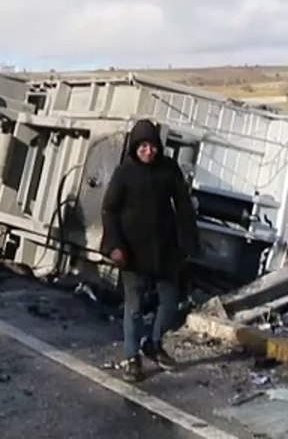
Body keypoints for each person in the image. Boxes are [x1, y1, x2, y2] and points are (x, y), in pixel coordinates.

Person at [100, 118, 198, 381]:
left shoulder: (168, 170)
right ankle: (132, 357)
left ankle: (153, 343)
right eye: (142, 146)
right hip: (132, 253)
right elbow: (109, 209)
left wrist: (188, 242)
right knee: (133, 308)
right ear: (135, 148)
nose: (148, 151)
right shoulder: (124, 173)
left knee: (169, 302)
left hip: (165, 250)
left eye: (152, 146)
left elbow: (183, 205)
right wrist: (114, 246)